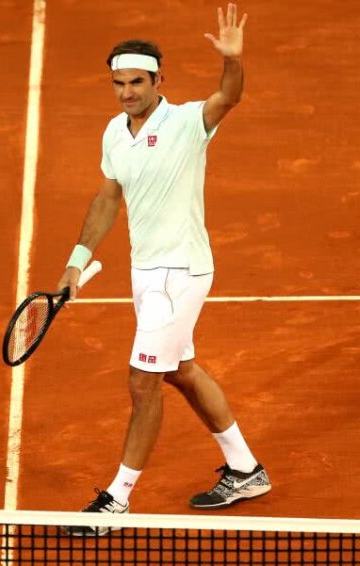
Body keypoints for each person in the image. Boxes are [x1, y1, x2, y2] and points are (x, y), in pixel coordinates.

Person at [58, 3, 269, 534]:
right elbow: (108, 196)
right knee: (179, 371)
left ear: (158, 81)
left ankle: (117, 500)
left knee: (142, 381)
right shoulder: (114, 133)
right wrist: (76, 263)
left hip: (180, 273)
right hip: (145, 272)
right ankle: (246, 469)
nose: (127, 91)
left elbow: (229, 97)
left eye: (136, 81)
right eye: (118, 83)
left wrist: (233, 61)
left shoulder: (187, 121)